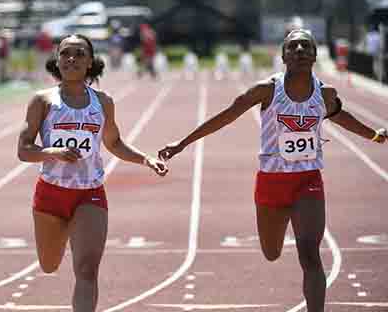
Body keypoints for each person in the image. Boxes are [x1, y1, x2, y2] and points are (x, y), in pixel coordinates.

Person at [158, 28, 387, 312]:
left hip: (308, 181)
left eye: (306, 46)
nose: (300, 51)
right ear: (283, 56)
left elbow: (342, 117)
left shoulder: (325, 94)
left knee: (309, 255)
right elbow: (226, 116)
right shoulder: (266, 90)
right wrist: (182, 143)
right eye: (294, 47)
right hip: (271, 184)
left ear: (315, 55)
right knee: (271, 252)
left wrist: (374, 136)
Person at [17, 34, 168, 312]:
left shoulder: (103, 102)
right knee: (49, 265)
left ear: (90, 63)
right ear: (57, 60)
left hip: (90, 194)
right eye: (65, 54)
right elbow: (24, 150)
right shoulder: (43, 101)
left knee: (87, 270)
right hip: (51, 193)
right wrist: (52, 152)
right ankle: (63, 230)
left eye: (79, 54)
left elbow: (114, 143)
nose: (71, 59)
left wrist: (145, 159)